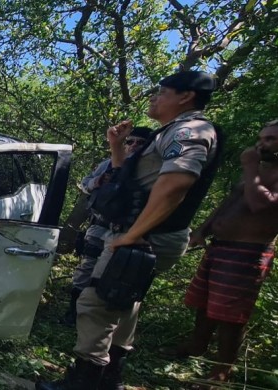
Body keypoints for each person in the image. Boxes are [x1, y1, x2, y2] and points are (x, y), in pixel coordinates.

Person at [37, 70, 220, 390]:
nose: (153, 97)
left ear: (185, 96)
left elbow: (177, 183)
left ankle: (83, 382)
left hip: (146, 235)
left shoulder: (190, 130)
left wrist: (134, 234)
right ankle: (110, 379)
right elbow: (128, 184)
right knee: (123, 304)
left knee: (96, 304)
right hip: (145, 234)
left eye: (161, 91)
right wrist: (117, 147)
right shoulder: (169, 132)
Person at [163, 120, 278, 388]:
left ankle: (221, 373)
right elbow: (231, 202)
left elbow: (259, 204)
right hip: (220, 246)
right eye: (261, 138)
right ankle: (196, 347)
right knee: (204, 304)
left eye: (271, 139)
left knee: (230, 315)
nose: (262, 145)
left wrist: (250, 167)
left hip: (248, 252)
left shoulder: (259, 171)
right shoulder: (259, 169)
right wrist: (203, 229)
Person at [60, 127, 152, 326]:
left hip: (127, 231)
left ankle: (97, 322)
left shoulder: (149, 171)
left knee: (111, 275)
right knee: (86, 269)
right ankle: (73, 315)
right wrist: (98, 182)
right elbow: (84, 185)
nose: (134, 145)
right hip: (99, 225)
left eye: (140, 142)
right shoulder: (107, 165)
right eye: (130, 141)